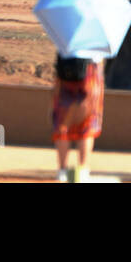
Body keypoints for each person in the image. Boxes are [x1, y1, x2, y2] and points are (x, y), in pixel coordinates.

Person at [52, 53, 105, 182]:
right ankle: (83, 169)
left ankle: (62, 170)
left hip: (66, 67)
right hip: (90, 69)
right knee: (87, 122)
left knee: (62, 121)